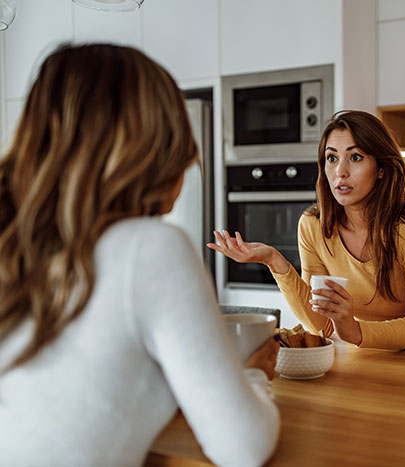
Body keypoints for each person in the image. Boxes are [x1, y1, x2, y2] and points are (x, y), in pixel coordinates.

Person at [0, 44, 279, 466]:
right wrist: (254, 376)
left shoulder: (13, 241)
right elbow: (244, 449)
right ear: (157, 148)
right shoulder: (148, 248)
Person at [208, 110, 405, 350]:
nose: (340, 172)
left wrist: (355, 331)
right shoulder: (314, 226)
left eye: (355, 157)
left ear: (382, 168)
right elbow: (322, 327)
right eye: (332, 158)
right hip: (358, 362)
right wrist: (274, 260)